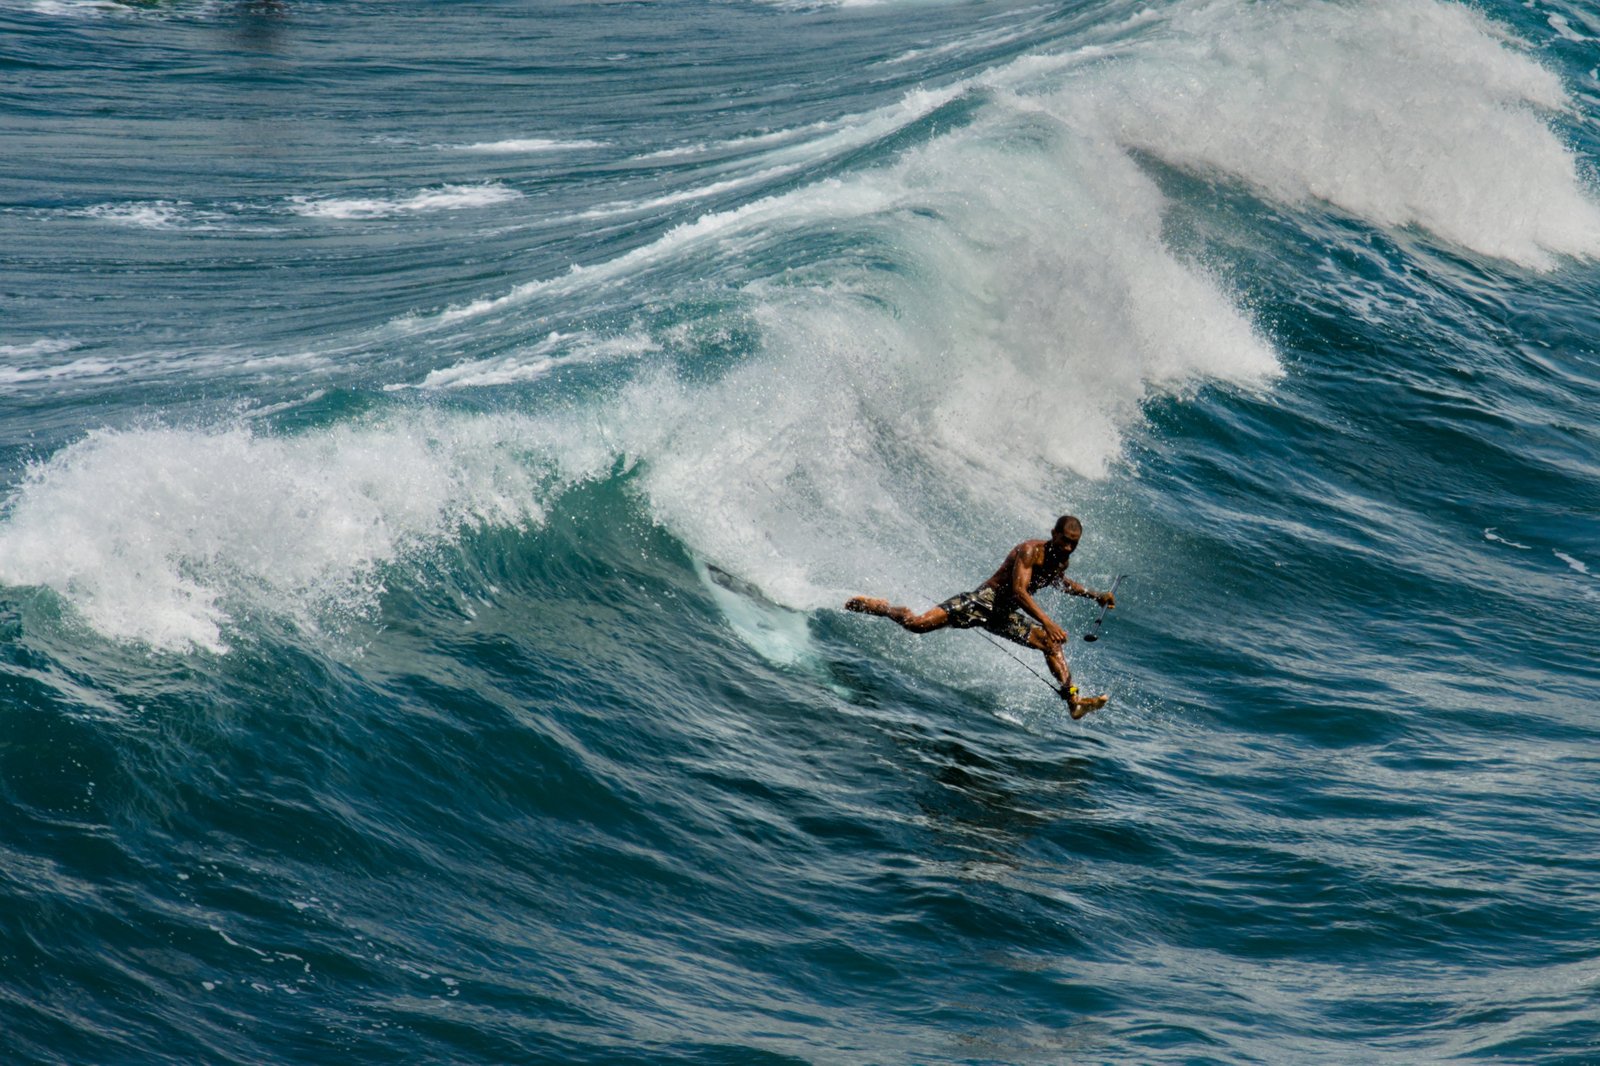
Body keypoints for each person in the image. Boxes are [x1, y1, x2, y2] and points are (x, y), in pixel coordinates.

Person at [845, 515, 1116, 719]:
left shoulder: (1060, 560)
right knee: (917, 624)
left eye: (1074, 544)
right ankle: (883, 607)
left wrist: (1095, 595)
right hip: (983, 601)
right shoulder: (1031, 551)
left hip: (1004, 615)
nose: (1068, 547)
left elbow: (1060, 582)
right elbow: (1020, 591)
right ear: (1053, 533)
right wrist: (1047, 621)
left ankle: (1074, 702)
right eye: (1065, 540)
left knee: (1050, 644)